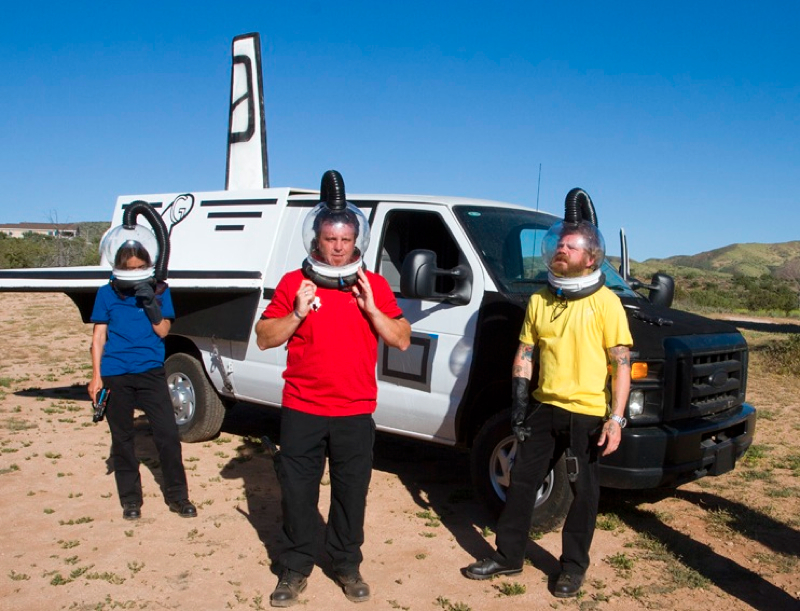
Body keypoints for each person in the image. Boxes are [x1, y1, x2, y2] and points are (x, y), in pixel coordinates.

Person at [255, 184, 411, 608]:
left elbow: (401, 339)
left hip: (355, 411)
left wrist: (372, 309)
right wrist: (297, 312)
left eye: (345, 240)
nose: (338, 249)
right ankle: (295, 567)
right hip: (303, 408)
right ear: (316, 240)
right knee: (298, 493)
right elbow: (265, 337)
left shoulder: (374, 284)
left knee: (350, 492)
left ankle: (346, 563)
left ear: (355, 240)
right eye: (330, 240)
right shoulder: (294, 283)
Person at [464, 220, 632, 598]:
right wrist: (520, 405)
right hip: (543, 406)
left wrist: (616, 419)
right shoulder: (540, 300)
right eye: (559, 245)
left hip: (587, 412)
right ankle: (508, 555)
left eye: (571, 247)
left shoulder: (606, 303)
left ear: (591, 258)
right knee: (520, 484)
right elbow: (525, 354)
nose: (561, 250)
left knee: (583, 492)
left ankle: (572, 567)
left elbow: (621, 363)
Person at [88, 238, 197, 521]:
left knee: (168, 435)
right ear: (119, 268)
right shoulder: (106, 293)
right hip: (116, 372)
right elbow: (99, 336)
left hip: (150, 371)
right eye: (130, 268)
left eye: (140, 267)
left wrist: (151, 304)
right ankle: (130, 500)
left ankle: (178, 496)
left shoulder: (160, 291)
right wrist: (96, 376)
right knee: (122, 439)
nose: (135, 272)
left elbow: (163, 331)